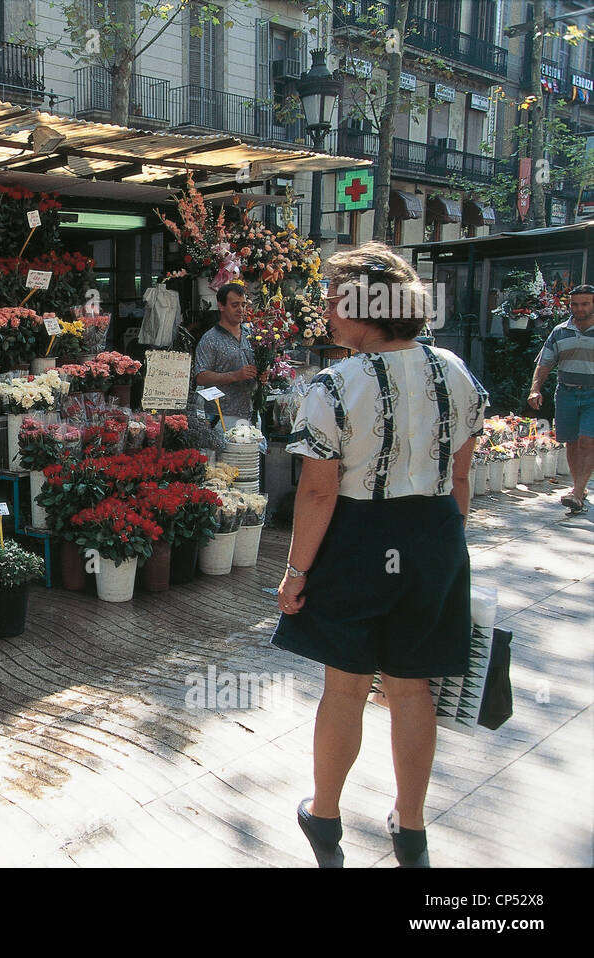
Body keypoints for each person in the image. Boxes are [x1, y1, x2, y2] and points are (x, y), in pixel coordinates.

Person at [272, 243, 489, 868]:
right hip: (434, 537)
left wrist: (296, 573)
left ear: (369, 307)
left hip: (359, 540)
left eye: (336, 299)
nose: (327, 313)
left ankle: (326, 818)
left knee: (343, 689)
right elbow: (461, 479)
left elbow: (317, 491)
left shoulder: (336, 385)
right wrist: (445, 551)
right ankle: (412, 830)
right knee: (411, 689)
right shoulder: (454, 371)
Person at [528, 284, 594, 515]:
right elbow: (545, 363)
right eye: (575, 304)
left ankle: (576, 492)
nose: (579, 308)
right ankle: (580, 488)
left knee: (588, 440)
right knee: (572, 442)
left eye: (585, 303)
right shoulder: (560, 331)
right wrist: (535, 389)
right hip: (566, 392)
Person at [193, 283, 266, 423]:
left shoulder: (251, 335)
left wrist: (263, 374)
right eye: (235, 305)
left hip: (252, 413)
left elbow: (258, 367)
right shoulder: (210, 339)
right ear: (221, 306)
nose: (241, 309)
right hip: (222, 415)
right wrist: (235, 375)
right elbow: (201, 377)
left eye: (243, 305)